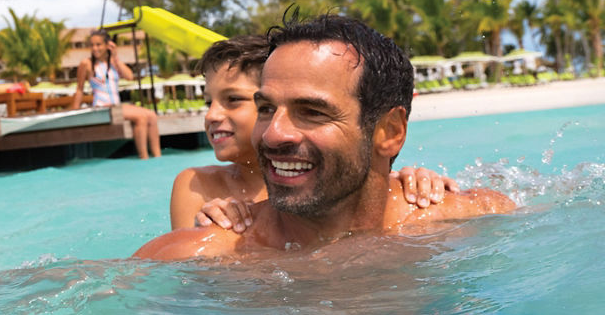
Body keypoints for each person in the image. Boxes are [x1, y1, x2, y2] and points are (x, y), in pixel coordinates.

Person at [136, 13, 515, 260]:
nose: (273, 135)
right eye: (266, 108)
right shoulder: (206, 253)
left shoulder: (468, 219)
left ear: (390, 132)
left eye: (312, 112)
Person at [170, 33, 456, 231]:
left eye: (233, 100)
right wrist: (207, 228)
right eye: (208, 102)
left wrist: (419, 184)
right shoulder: (197, 185)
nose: (212, 115)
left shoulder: (340, 178)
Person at [72, 29, 161, 159]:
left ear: (107, 45)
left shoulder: (113, 62)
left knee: (152, 116)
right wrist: (74, 113)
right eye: (92, 45)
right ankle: (144, 157)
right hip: (102, 107)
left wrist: (115, 56)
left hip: (116, 106)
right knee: (141, 118)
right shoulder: (86, 64)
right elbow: (79, 89)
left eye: (98, 44)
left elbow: (129, 76)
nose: (95, 48)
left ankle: (157, 157)